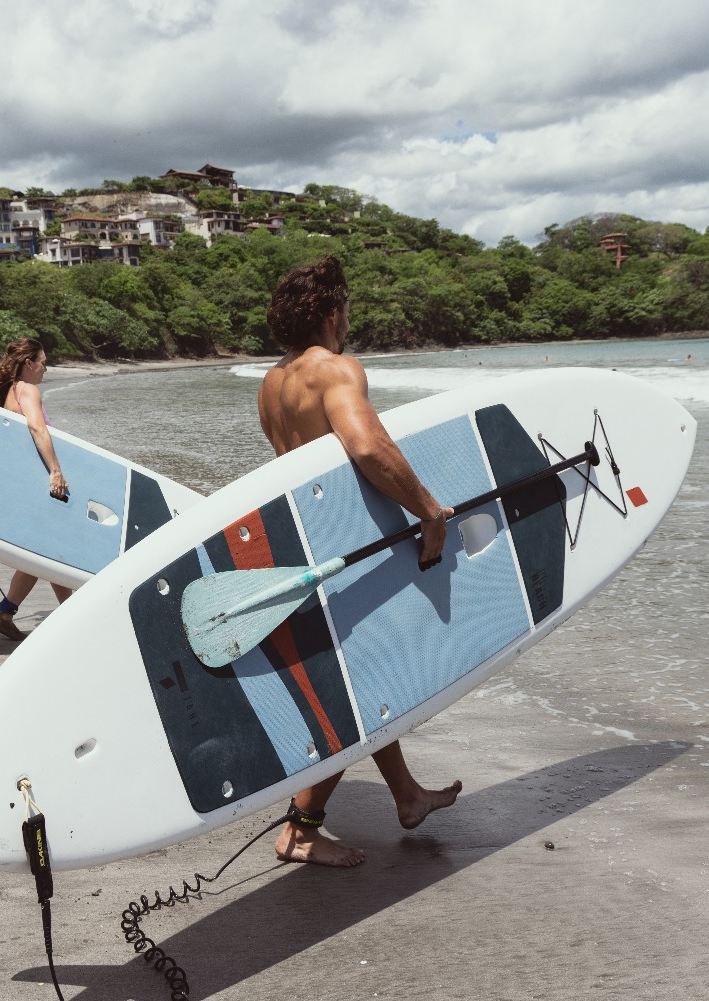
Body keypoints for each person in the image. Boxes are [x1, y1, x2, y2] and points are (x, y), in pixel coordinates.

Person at [259, 255, 462, 867]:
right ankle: (300, 830)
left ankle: (407, 796)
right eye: (346, 308)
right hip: (347, 547)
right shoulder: (335, 370)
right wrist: (429, 510)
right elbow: (368, 447)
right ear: (329, 311)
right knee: (365, 680)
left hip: (305, 543)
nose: (349, 320)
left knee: (361, 671)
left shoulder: (272, 383)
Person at [0, 338, 72, 641]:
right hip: (37, 483)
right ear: (28, 363)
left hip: (19, 483)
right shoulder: (28, 390)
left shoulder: (9, 392)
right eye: (43, 362)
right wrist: (56, 470)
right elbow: (37, 428)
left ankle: (7, 613)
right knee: (52, 550)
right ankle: (71, 618)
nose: (46, 368)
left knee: (45, 551)